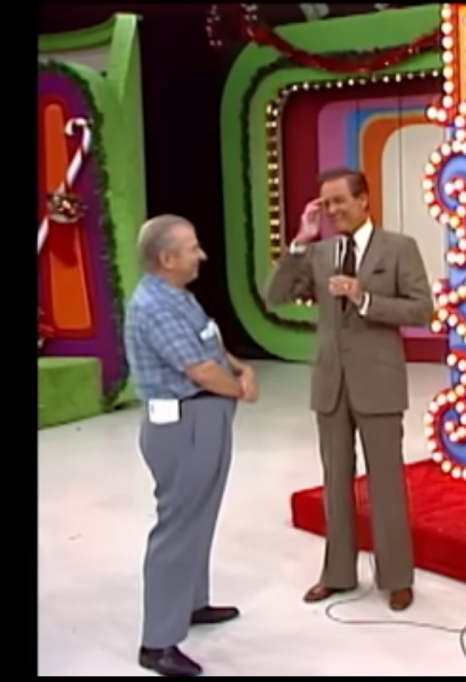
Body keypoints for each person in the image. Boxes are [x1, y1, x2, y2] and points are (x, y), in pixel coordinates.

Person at [266, 168, 434, 612]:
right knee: (335, 483)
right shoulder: (318, 254)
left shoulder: (399, 248)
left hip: (378, 382)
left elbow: (421, 310)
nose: (333, 210)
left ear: (364, 200)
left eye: (340, 201)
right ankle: (337, 574)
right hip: (331, 384)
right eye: (326, 203)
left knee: (386, 485)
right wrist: (299, 243)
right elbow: (275, 295)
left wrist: (365, 298)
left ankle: (396, 577)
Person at [124, 214, 258, 677]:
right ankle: (158, 641)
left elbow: (210, 348)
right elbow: (198, 371)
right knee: (179, 526)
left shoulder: (177, 296)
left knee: (200, 517)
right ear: (167, 258)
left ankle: (192, 603)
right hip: (184, 427)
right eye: (192, 247)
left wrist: (241, 368)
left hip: (204, 419)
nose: (201, 254)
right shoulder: (155, 306)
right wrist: (240, 388)